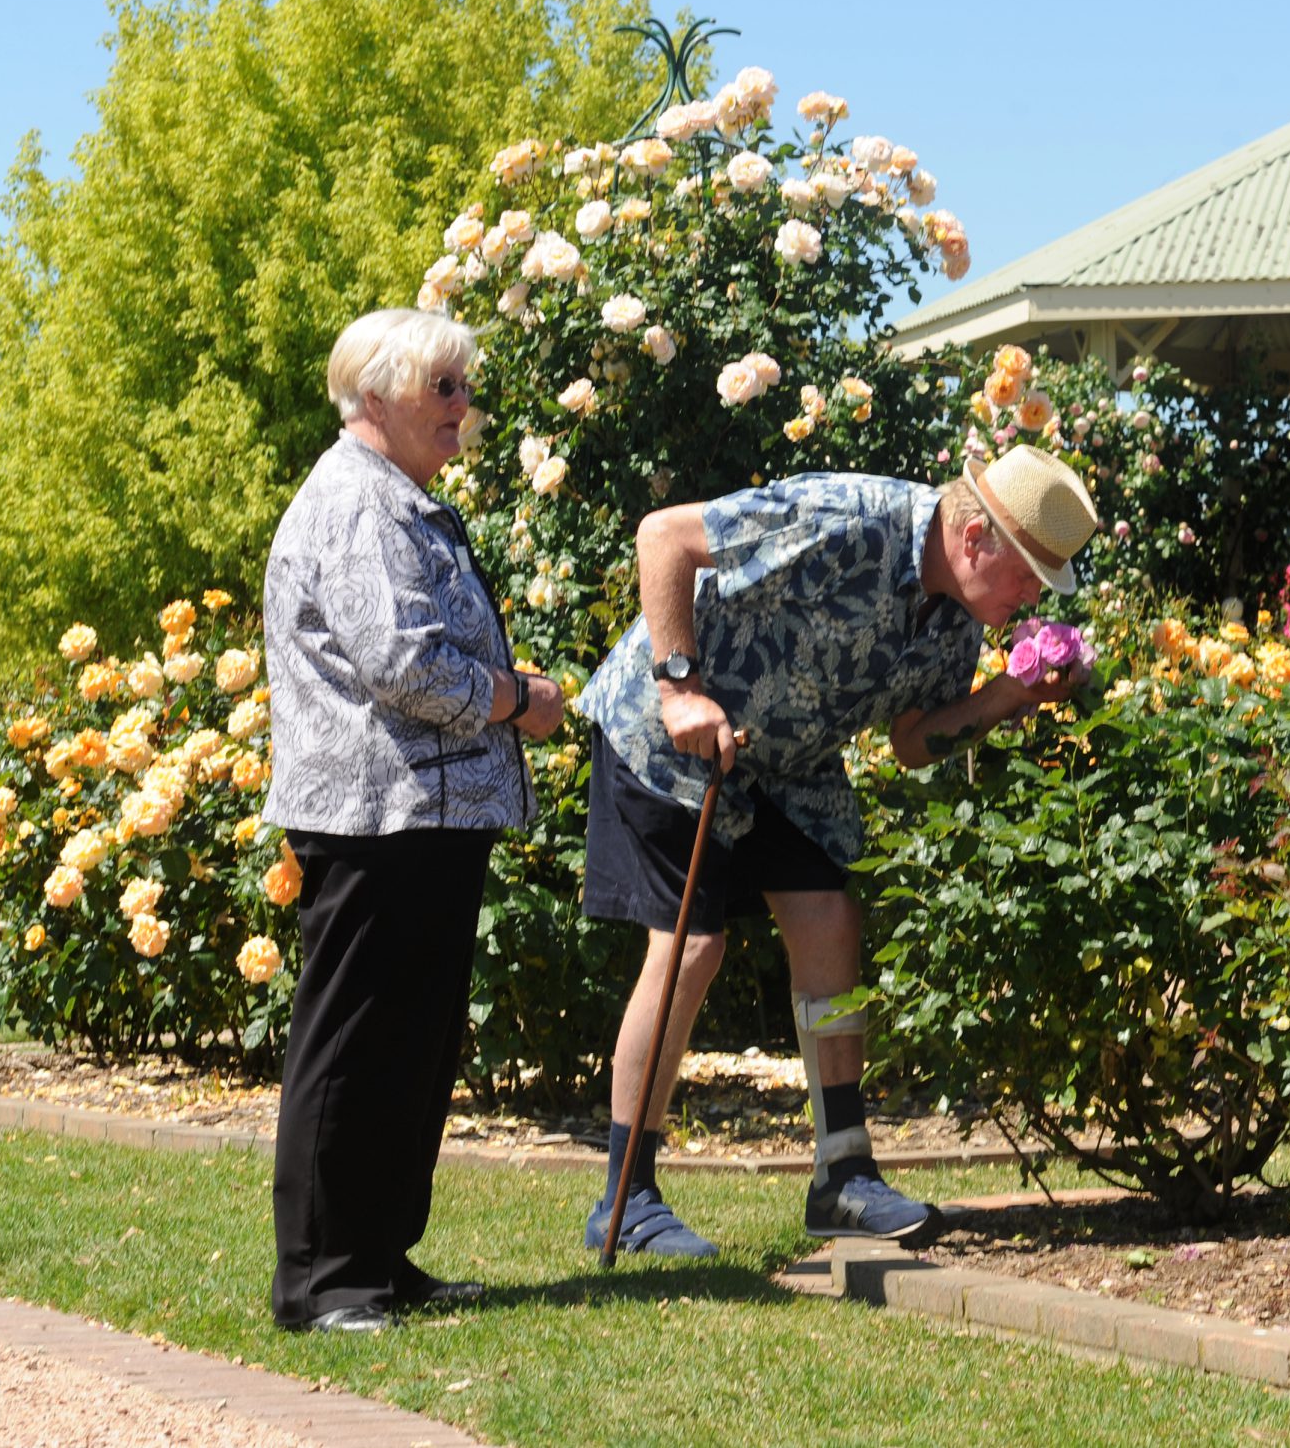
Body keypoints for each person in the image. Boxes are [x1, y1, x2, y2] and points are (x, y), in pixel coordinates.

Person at [575, 443, 1100, 1257]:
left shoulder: (958, 618)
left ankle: (843, 1178)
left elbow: (913, 742)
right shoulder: (849, 517)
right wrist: (680, 688)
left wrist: (1005, 696)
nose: (1033, 598)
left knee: (830, 920)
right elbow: (663, 536)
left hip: (790, 762)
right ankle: (626, 1196)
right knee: (691, 948)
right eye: (1030, 575)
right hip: (671, 736)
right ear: (975, 540)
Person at [262, 307, 566, 1333]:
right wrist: (518, 698)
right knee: (356, 1043)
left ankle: (379, 1259)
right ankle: (322, 1280)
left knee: (411, 1048)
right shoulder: (359, 501)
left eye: (463, 386)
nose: (462, 405)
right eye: (442, 386)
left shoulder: (398, 498)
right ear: (376, 395)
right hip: (375, 816)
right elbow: (404, 664)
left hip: (424, 815)